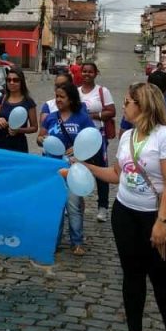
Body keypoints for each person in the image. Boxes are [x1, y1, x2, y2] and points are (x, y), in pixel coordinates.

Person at [80, 82, 166, 331]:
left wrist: (161, 221)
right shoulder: (127, 135)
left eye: (128, 101)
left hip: (154, 215)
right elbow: (117, 174)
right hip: (124, 213)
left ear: (143, 105)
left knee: (161, 277)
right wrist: (85, 167)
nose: (123, 106)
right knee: (132, 274)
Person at [37, 81, 94, 255]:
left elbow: (92, 139)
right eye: (57, 96)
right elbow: (40, 137)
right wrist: (42, 140)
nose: (58, 100)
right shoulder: (51, 118)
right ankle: (54, 242)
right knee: (55, 207)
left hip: (73, 168)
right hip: (53, 169)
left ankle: (77, 242)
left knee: (73, 206)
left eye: (62, 97)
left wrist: (78, 148)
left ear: (71, 99)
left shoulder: (82, 118)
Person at [79, 62, 116, 222]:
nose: (87, 74)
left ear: (96, 73)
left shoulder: (102, 91)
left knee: (101, 172)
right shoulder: (75, 92)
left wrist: (92, 116)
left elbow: (111, 111)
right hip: (79, 138)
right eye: (84, 71)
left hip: (98, 137)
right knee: (78, 169)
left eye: (90, 72)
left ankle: (103, 207)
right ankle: (76, 204)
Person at [0, 68, 37, 153]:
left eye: (15, 80)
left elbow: (34, 128)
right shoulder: (2, 98)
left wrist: (18, 130)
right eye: (8, 80)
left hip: (18, 144)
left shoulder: (28, 102)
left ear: (21, 82)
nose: (11, 82)